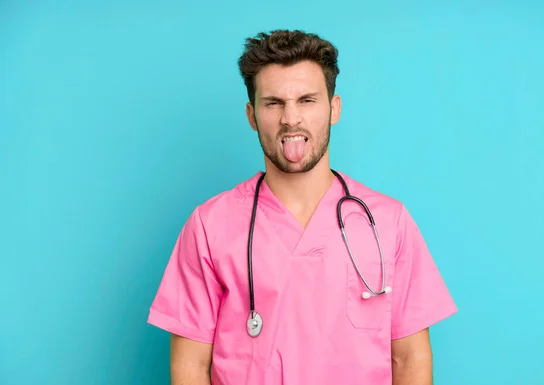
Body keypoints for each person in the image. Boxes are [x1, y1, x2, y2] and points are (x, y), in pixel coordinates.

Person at [147, 29, 458, 385]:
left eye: (307, 100)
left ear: (334, 108)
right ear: (252, 115)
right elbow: (190, 368)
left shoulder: (388, 222)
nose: (290, 119)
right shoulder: (209, 226)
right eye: (274, 103)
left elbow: (410, 359)